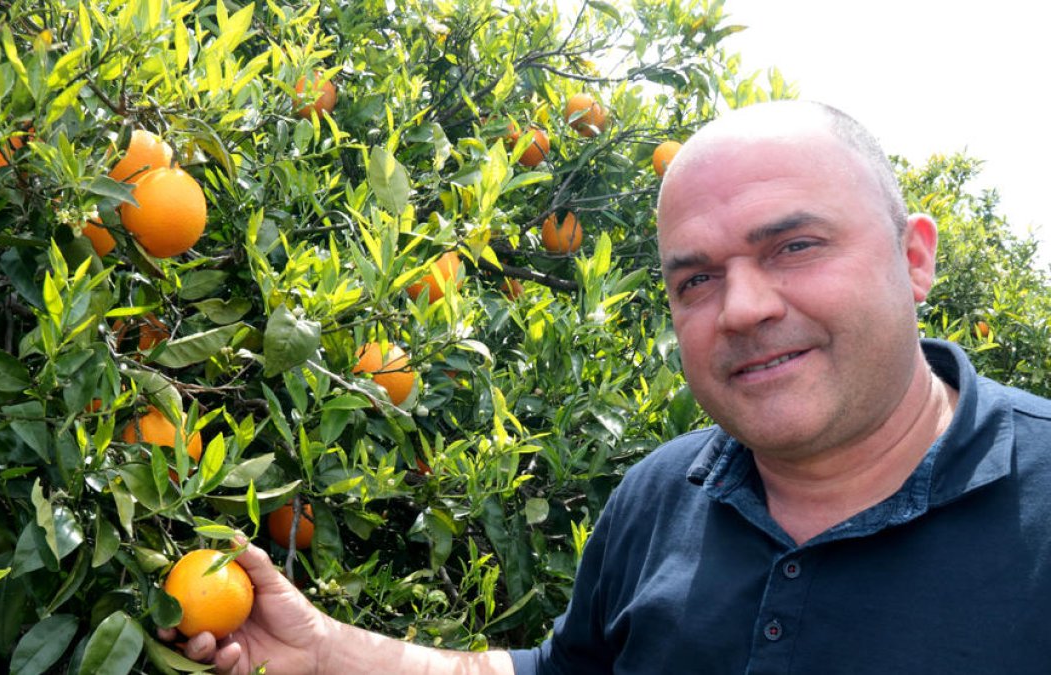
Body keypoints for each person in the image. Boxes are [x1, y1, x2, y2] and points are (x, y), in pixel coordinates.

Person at [162, 101, 1051, 673]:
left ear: (914, 257)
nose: (741, 307)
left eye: (795, 246)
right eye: (694, 278)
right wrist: (326, 653)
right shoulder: (662, 494)